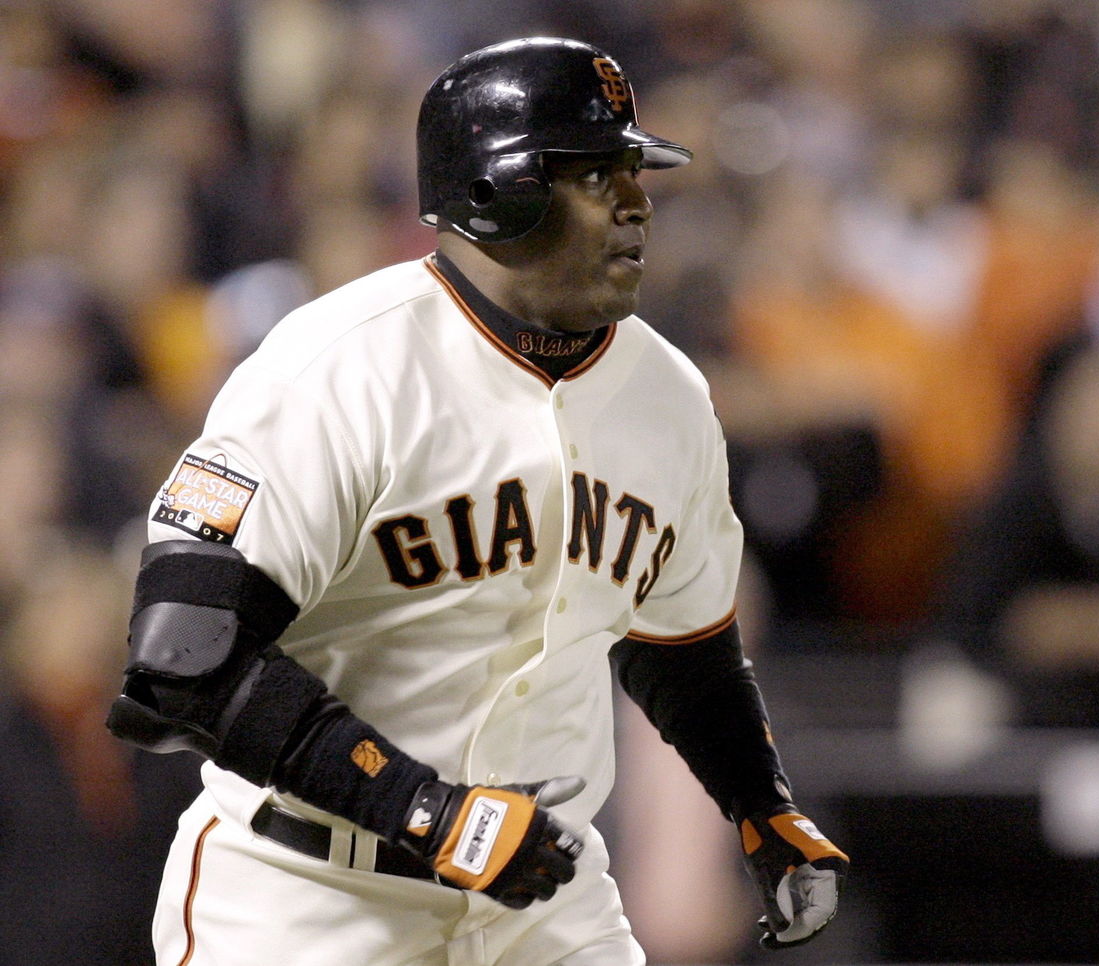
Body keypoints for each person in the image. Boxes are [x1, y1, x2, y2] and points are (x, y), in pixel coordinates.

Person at [106, 37, 847, 966]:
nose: (637, 203)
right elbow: (182, 662)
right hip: (308, 898)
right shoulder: (334, 368)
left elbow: (687, 652)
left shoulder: (669, 396)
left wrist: (761, 808)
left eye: (633, 170)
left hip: (543, 902)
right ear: (494, 195)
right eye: (594, 175)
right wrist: (426, 813)